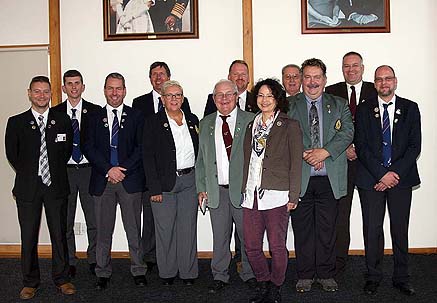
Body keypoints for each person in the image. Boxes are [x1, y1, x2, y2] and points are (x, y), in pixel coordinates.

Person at [5, 76, 76, 300]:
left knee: (59, 235)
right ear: (29, 93)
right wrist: (31, 173)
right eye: (37, 92)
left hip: (56, 187)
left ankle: (62, 279)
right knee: (28, 237)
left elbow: (64, 153)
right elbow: (12, 155)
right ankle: (29, 282)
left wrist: (48, 171)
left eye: (46, 91)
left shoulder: (62, 120)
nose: (42, 96)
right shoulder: (16, 122)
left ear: (51, 94)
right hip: (28, 188)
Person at [288, 58, 353, 293]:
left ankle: (326, 274)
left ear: (324, 80)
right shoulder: (288, 105)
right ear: (302, 79)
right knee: (303, 229)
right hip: (300, 178)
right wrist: (307, 154)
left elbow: (347, 132)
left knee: (328, 229)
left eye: (317, 77)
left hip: (329, 178)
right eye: (307, 77)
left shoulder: (339, 104)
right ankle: (304, 274)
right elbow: (284, 134)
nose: (312, 82)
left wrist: (324, 152)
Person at [355, 65, 421, 296]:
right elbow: (361, 146)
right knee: (372, 229)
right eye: (379, 80)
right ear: (374, 84)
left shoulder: (410, 108)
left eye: (388, 78)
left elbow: (414, 147)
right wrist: (381, 174)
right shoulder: (364, 110)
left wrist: (392, 174)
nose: (384, 83)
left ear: (395, 81)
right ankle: (373, 276)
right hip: (371, 179)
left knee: (399, 229)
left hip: (400, 180)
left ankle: (402, 277)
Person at [83, 73, 147, 290]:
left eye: (118, 88)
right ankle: (102, 271)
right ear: (104, 90)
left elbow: (141, 148)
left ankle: (138, 269)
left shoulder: (137, 116)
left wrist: (122, 170)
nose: (114, 93)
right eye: (110, 88)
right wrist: (108, 169)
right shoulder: (93, 117)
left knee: (133, 229)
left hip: (129, 180)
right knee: (103, 231)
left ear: (125, 90)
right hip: (103, 181)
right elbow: (88, 147)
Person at [242, 78, 303, 303]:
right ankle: (263, 281)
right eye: (260, 95)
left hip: (278, 194)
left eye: (269, 96)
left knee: (277, 246)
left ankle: (276, 285)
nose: (264, 100)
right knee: (251, 246)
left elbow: (296, 163)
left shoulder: (290, 125)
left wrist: (293, 195)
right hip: (252, 194)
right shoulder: (252, 124)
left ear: (278, 99)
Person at [196, 79, 256, 294]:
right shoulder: (206, 123)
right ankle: (220, 275)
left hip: (242, 191)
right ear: (213, 99)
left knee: (248, 237)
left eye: (228, 94)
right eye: (219, 95)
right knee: (220, 237)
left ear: (236, 96)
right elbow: (201, 160)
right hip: (216, 191)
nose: (224, 99)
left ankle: (250, 273)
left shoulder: (251, 120)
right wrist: (201, 187)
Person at [132, 61, 191, 272]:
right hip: (154, 176)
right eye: (154, 74)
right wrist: (152, 183)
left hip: (185, 178)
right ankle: (155, 263)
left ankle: (182, 267)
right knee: (154, 224)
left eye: (162, 74)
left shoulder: (188, 113)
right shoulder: (139, 104)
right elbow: (142, 146)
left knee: (184, 226)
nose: (158, 77)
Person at [325, 51, 377, 275]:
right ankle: (338, 264)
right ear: (342, 68)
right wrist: (343, 147)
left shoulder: (376, 91)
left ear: (363, 68)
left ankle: (373, 266)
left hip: (368, 165)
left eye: (355, 66)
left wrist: (359, 150)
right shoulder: (331, 92)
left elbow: (379, 130)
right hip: (340, 162)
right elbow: (326, 127)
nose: (351, 70)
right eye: (346, 66)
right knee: (340, 215)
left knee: (372, 217)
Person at [143, 80, 199, 286]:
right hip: (164, 184)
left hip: (190, 181)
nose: (174, 99)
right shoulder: (152, 122)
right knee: (165, 230)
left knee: (187, 228)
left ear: (183, 99)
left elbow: (199, 152)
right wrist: (154, 188)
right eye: (170, 95)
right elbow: (147, 157)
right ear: (162, 99)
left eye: (178, 95)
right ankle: (167, 273)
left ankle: (188, 273)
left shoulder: (193, 120)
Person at [52, 70, 101, 278]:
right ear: (64, 88)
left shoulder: (95, 111)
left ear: (83, 86)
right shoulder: (54, 114)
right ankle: (69, 260)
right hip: (66, 172)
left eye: (77, 83)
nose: (73, 87)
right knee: (66, 220)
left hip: (90, 171)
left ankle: (94, 259)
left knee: (94, 220)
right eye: (69, 84)